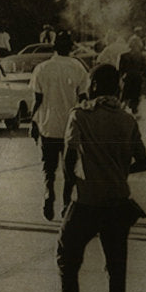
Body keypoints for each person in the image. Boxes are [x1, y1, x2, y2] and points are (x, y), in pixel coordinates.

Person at [39, 64, 146, 292]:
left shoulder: (81, 115)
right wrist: (118, 172)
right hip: (119, 203)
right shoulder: (127, 120)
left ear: (96, 86)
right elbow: (143, 162)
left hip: (87, 201)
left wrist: (67, 194)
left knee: (66, 256)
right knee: (116, 268)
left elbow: (70, 156)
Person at [29, 31, 89, 220]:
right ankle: (65, 204)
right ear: (70, 48)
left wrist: (33, 122)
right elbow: (83, 98)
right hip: (71, 127)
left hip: (48, 125)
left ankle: (48, 193)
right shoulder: (78, 67)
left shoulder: (42, 68)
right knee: (69, 169)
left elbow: (37, 99)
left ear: (54, 47)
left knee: (49, 167)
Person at [118, 36, 146, 114]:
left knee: (124, 98)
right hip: (137, 80)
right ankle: (135, 116)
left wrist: (120, 79)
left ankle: (121, 113)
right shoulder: (141, 56)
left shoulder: (124, 56)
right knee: (135, 99)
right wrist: (144, 78)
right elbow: (145, 69)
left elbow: (120, 70)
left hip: (128, 79)